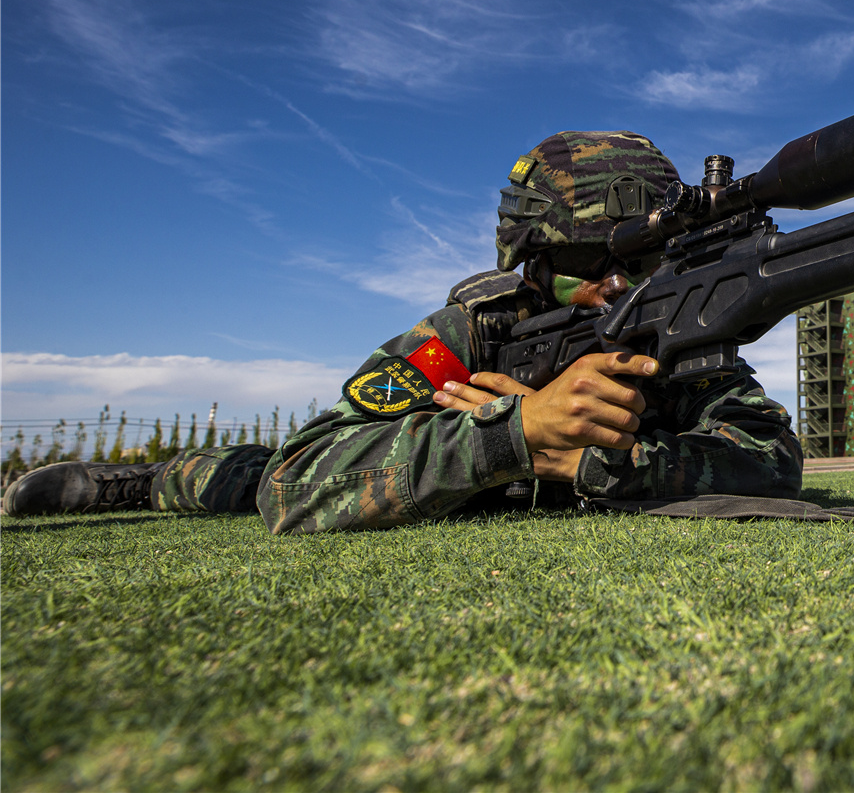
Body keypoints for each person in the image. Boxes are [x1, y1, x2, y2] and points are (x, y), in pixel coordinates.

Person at [3, 131, 804, 531]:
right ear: (532, 260)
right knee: (244, 483)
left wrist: (612, 462)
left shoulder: (672, 328)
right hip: (371, 483)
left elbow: (773, 462)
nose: (623, 281)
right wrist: (513, 435)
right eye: (596, 258)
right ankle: (147, 482)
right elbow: (298, 480)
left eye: (648, 255)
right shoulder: (472, 331)